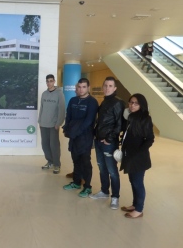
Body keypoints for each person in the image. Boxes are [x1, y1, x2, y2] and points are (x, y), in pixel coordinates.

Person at [90, 76, 125, 210]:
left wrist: (109, 139)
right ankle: (104, 191)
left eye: (110, 86)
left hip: (108, 143)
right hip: (99, 141)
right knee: (102, 168)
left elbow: (119, 124)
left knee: (112, 171)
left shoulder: (117, 103)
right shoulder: (104, 102)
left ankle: (115, 197)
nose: (107, 88)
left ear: (115, 88)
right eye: (105, 85)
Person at [120, 94, 154, 219]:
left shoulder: (145, 119)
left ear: (142, 105)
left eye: (136, 103)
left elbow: (150, 139)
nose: (132, 105)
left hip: (139, 158)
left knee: (137, 182)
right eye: (131, 102)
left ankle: (139, 209)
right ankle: (135, 205)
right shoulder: (130, 117)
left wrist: (138, 153)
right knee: (132, 181)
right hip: (130, 156)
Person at [62, 78, 98, 197]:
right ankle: (76, 182)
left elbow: (88, 121)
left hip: (85, 137)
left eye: (83, 87)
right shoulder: (73, 100)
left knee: (85, 162)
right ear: (77, 88)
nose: (81, 89)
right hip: (73, 137)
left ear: (88, 87)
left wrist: (76, 132)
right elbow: (69, 117)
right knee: (75, 160)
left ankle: (87, 187)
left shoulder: (92, 102)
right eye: (79, 87)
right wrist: (67, 128)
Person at [38, 74, 65, 174]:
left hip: (54, 124)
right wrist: (40, 120)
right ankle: (50, 162)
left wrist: (59, 122)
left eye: (51, 81)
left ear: (54, 81)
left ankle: (57, 164)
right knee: (44, 144)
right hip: (43, 123)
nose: (49, 83)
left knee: (54, 145)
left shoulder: (59, 94)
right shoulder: (44, 94)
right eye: (47, 81)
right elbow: (42, 108)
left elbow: (62, 109)